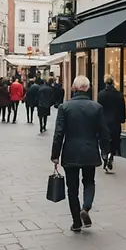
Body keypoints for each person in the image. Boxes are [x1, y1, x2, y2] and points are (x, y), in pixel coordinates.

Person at [51, 76, 109, 232]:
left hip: (71, 152)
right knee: (89, 182)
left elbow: (59, 133)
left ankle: (76, 221)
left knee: (72, 188)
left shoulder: (65, 107)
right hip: (90, 151)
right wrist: (105, 151)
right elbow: (104, 132)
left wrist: (55, 155)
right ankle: (86, 207)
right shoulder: (96, 107)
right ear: (88, 88)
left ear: (73, 88)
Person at [97, 75, 126, 173]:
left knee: (104, 141)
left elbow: (99, 109)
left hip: (104, 122)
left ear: (105, 82)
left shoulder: (101, 94)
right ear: (113, 82)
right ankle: (111, 154)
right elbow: (122, 109)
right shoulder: (119, 95)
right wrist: (122, 120)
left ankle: (105, 155)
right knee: (114, 140)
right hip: (115, 122)